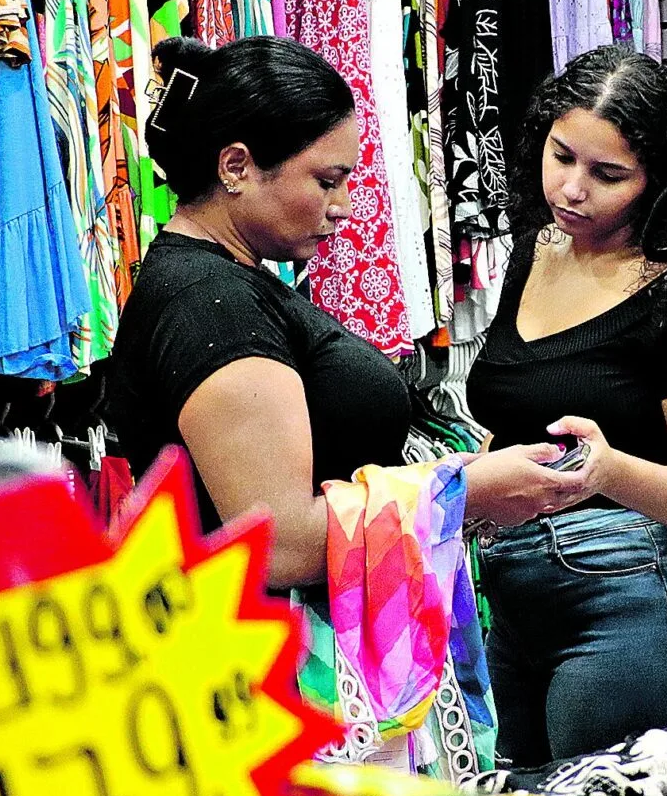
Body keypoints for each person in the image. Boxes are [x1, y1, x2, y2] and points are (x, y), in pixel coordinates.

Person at [104, 37, 564, 593]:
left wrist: (461, 475)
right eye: (326, 181)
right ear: (236, 166)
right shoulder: (207, 303)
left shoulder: (223, 282)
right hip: (278, 662)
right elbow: (279, 544)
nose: (343, 204)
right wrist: (465, 492)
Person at [461, 46, 667, 765]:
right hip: (509, 596)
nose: (572, 189)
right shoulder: (534, 250)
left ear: (655, 178)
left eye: (607, 175)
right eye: (561, 155)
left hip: (622, 594)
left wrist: (607, 470)